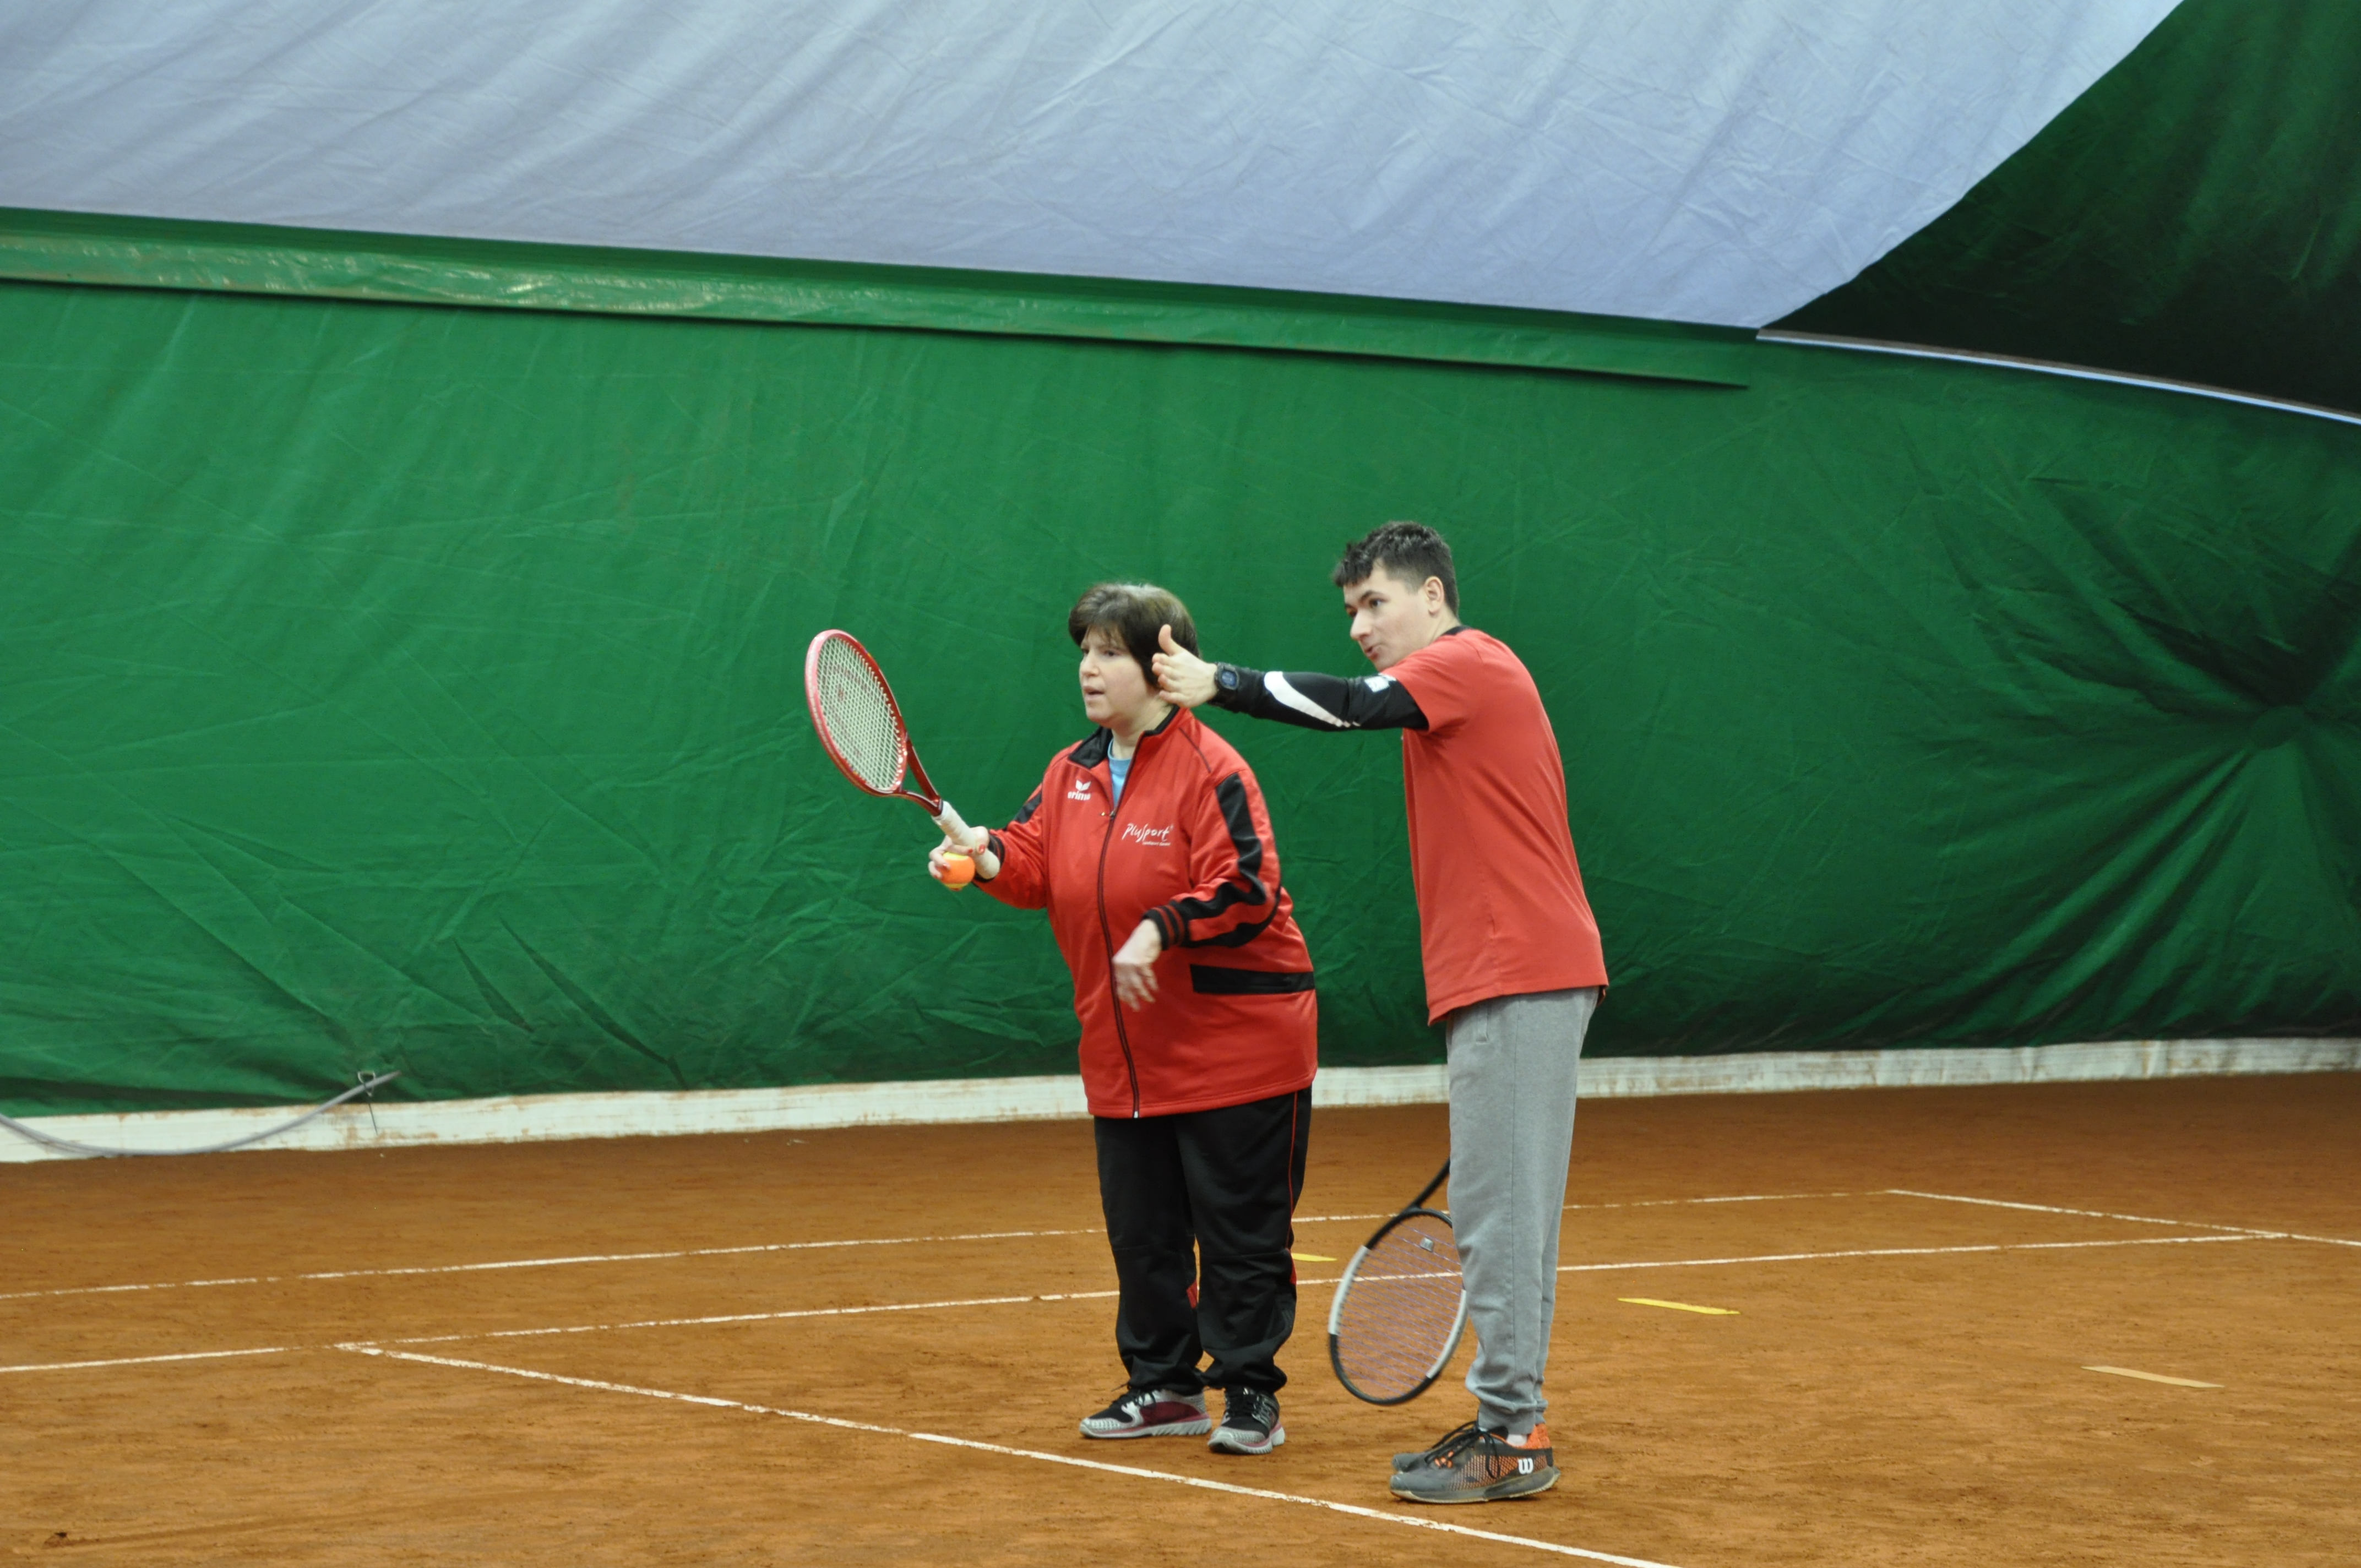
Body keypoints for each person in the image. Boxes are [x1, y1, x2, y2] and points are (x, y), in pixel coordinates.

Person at [1151, 521, 1608, 1504]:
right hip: (1511, 973)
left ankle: (1513, 1435)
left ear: (1433, 597)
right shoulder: (1458, 689)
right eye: (1351, 610)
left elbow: (1355, 706)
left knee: (1500, 1217)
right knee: (1505, 1215)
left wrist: (1220, 682)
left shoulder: (1468, 663)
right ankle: (1508, 1419)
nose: (1359, 626)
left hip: (1519, 970)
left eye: (1375, 603)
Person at [931, 581, 1319, 1457]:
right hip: (1125, 1052)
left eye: (1110, 653)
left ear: (1162, 665)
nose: (1089, 669)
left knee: (1241, 1235)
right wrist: (981, 858)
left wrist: (1161, 925)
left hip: (1239, 1051)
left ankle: (1249, 1392)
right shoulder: (1069, 772)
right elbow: (1032, 861)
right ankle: (1165, 1386)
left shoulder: (1214, 769)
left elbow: (1248, 888)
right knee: (1143, 1235)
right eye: (1085, 652)